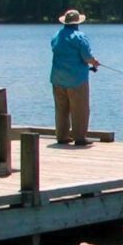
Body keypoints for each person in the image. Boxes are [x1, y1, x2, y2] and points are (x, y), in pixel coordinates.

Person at [51, 9, 100, 146]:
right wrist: (94, 62)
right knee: (80, 109)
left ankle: (62, 136)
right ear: (78, 22)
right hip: (77, 79)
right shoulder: (79, 37)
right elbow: (86, 57)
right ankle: (80, 138)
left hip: (57, 78)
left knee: (61, 109)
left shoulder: (56, 36)